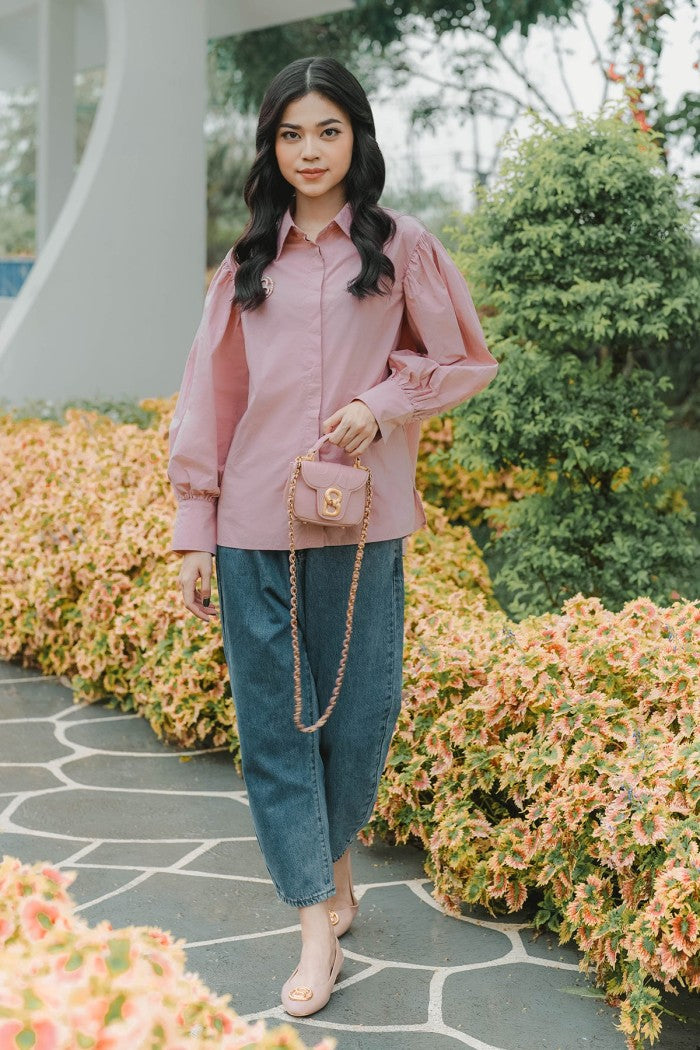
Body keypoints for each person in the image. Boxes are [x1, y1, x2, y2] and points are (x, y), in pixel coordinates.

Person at [167, 56, 499, 1017]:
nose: (309, 151)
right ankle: (316, 923)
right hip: (250, 525)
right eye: (291, 134)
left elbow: (460, 360)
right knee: (277, 730)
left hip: (360, 521)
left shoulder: (400, 247)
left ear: (357, 136)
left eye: (327, 131)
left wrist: (381, 403)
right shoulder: (246, 264)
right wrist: (194, 529)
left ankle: (334, 863)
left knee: (356, 721)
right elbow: (209, 398)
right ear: (270, 146)